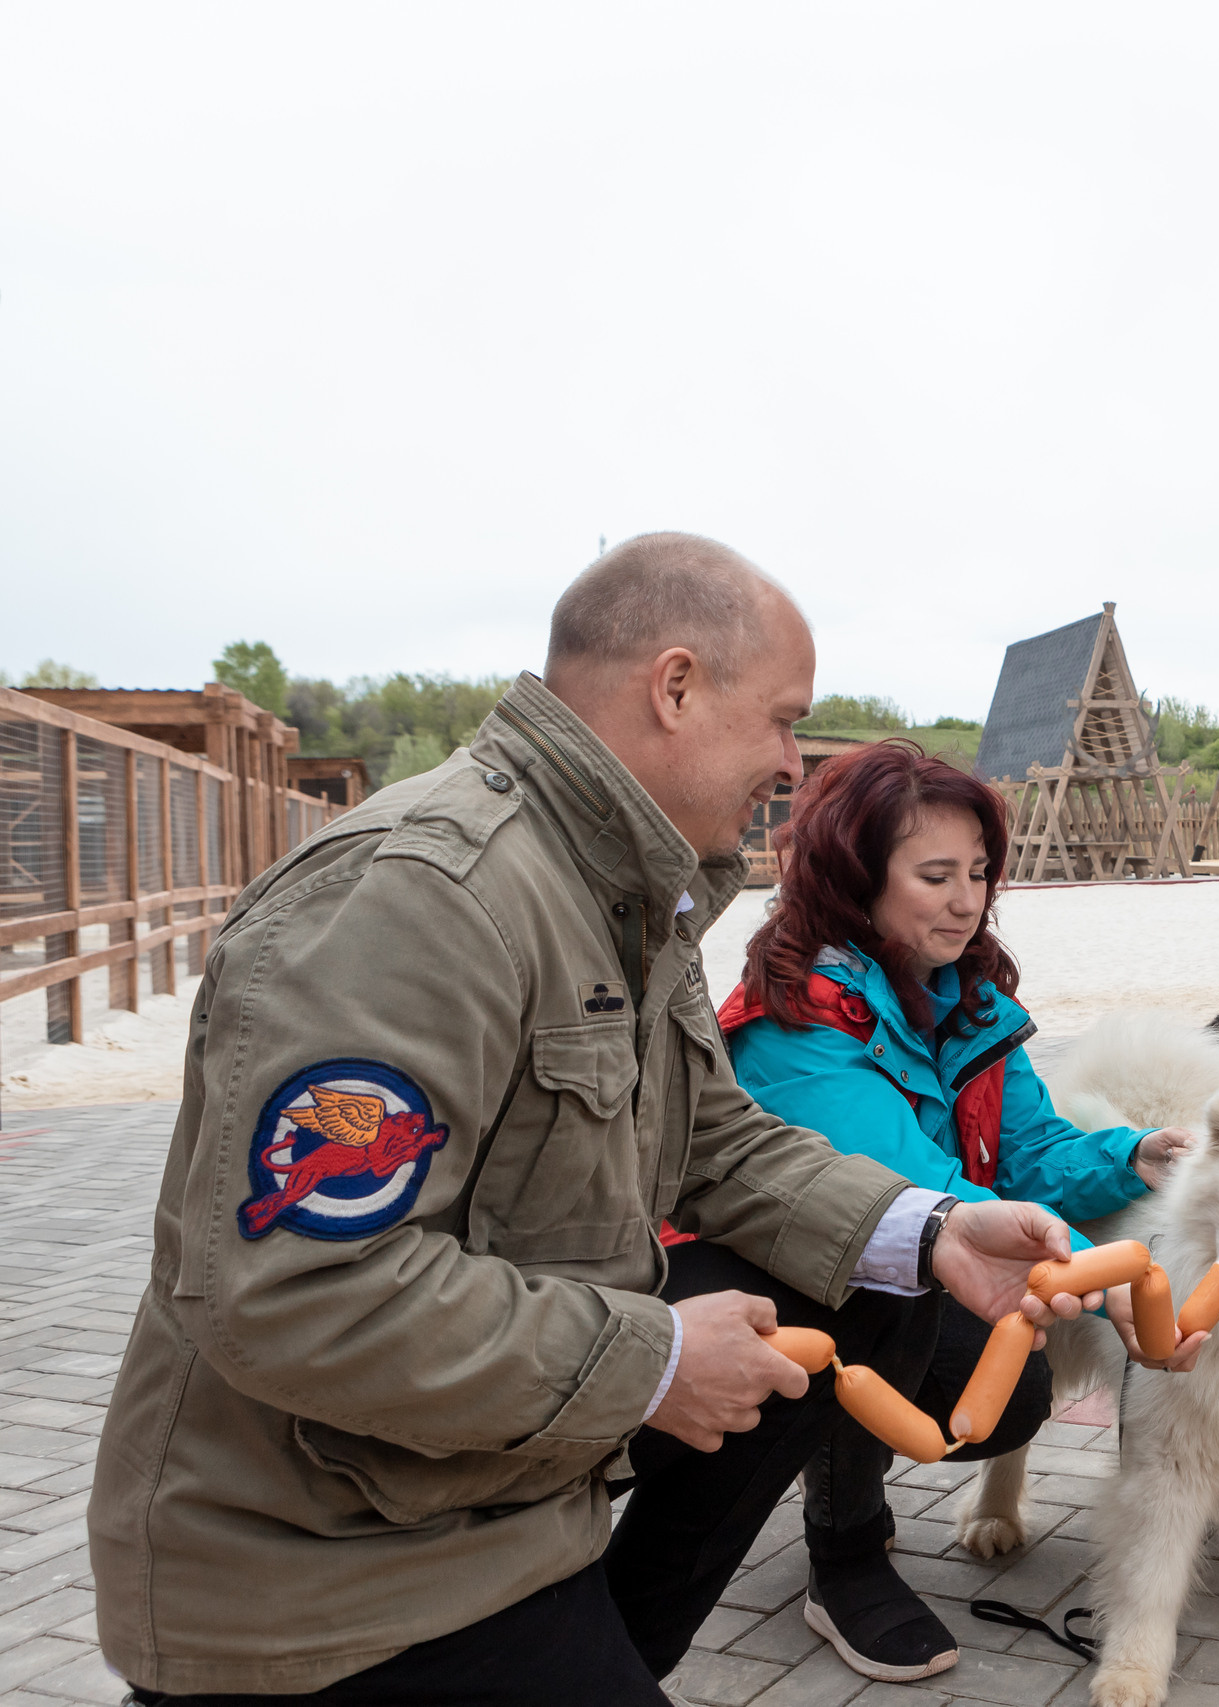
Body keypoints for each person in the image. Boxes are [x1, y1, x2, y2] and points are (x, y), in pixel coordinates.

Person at [89, 535, 1112, 1706]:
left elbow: (714, 1142)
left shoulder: (624, 898)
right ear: (674, 688)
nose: (791, 763)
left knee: (852, 1289)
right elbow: (298, 1293)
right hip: (328, 1572)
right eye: (783, 720)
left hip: (491, 1500)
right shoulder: (421, 899)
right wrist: (654, 1362)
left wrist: (927, 1230)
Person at [719, 742, 1207, 1683]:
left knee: (1012, 1393)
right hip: (785, 1280)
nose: (965, 899)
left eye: (980, 873)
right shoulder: (801, 1019)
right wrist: (1113, 1294)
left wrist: (1134, 1152)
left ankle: (836, 1481)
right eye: (935, 874)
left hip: (929, 1243)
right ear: (855, 878)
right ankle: (843, 1549)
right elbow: (915, 1194)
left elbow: (1029, 1151)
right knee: (888, 1309)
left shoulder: (966, 997)